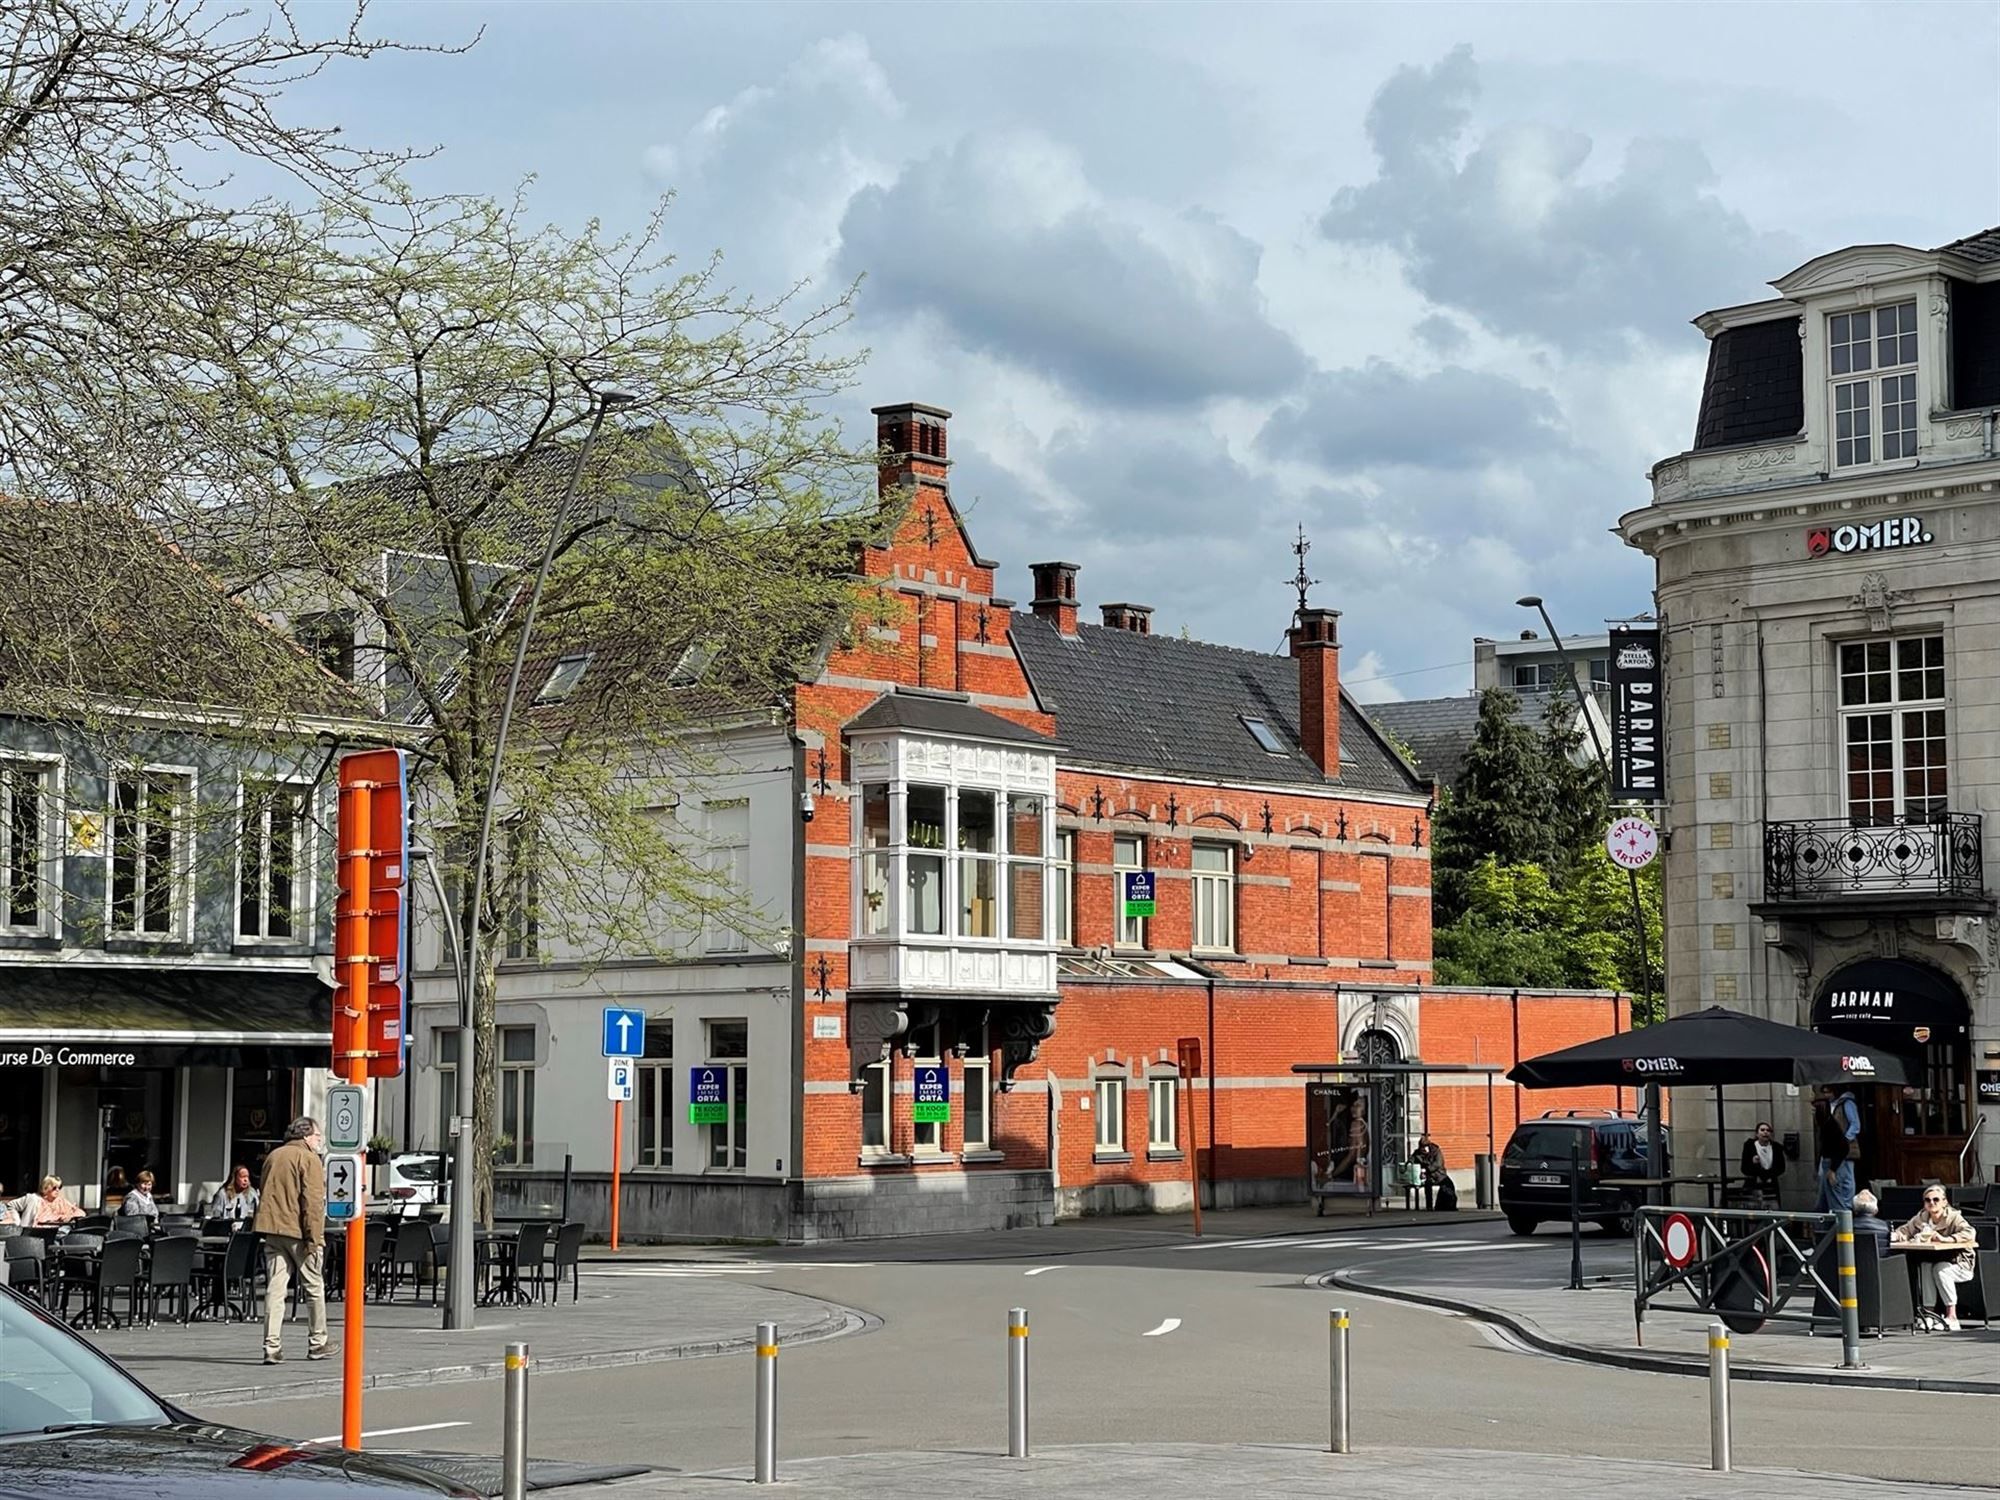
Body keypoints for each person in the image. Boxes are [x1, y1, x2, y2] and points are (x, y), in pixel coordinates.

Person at [251, 1117, 328, 1364]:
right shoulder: (309, 1159)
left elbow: (265, 1191)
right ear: (306, 1137)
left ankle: (271, 1346)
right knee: (314, 1287)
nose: (320, 1141)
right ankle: (318, 1341)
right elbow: (313, 1203)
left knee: (275, 1289)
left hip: (272, 1229)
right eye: (318, 1136)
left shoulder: (274, 1156)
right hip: (298, 1231)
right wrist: (314, 1239)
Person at [1891, 1185, 1978, 1332]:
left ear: (1944, 1202)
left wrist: (1947, 1239)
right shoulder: (1922, 1217)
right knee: (1925, 1266)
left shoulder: (1953, 1217)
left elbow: (1970, 1233)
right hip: (1934, 1257)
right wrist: (1897, 1235)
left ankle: (1952, 1317)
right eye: (1928, 1200)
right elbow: (1905, 1229)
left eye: (1936, 1199)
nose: (1932, 1203)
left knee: (1940, 1269)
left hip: (1960, 1262)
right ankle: (1929, 1314)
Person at [1813, 1084, 1862, 1214]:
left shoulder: (1846, 1104)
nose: (1826, 1095)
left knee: (1840, 1192)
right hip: (1831, 1154)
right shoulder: (1829, 1114)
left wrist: (1844, 1140)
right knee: (1825, 1195)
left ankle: (1842, 1226)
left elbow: (1855, 1125)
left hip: (1841, 1153)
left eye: (1828, 1092)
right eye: (1824, 1093)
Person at [1739, 1121, 1788, 1207]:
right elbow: (1744, 1168)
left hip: (1770, 1186)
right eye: (1762, 1130)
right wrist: (1753, 1164)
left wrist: (1768, 1175)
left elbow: (1781, 1168)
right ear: (1757, 1134)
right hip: (1753, 1185)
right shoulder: (1749, 1146)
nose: (1765, 1132)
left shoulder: (1776, 1148)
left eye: (1768, 1130)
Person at [11, 1176, 83, 1226]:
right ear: (46, 1187)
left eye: (59, 1187)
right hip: (35, 1235)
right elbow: (10, 1205)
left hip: (56, 1235)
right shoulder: (33, 1198)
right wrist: (16, 1223)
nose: (57, 1190)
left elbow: (81, 1213)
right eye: (54, 1187)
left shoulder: (61, 1201)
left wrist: (70, 1216)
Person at [1851, 1189, 1893, 1259]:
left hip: (1851, 1267)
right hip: (1882, 1267)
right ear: (1876, 1211)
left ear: (1854, 1210)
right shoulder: (1885, 1227)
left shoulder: (1846, 1228)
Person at [1409, 1133, 1447, 1211]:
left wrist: (1427, 1170)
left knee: (1430, 1183)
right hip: (1424, 1175)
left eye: (1424, 1148)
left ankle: (1433, 1205)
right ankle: (1427, 1206)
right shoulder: (1418, 1152)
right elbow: (1411, 1159)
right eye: (1421, 1148)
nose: (1422, 1150)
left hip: (1437, 1174)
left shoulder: (1436, 1151)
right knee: (1423, 1183)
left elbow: (1437, 1164)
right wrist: (1410, 1164)